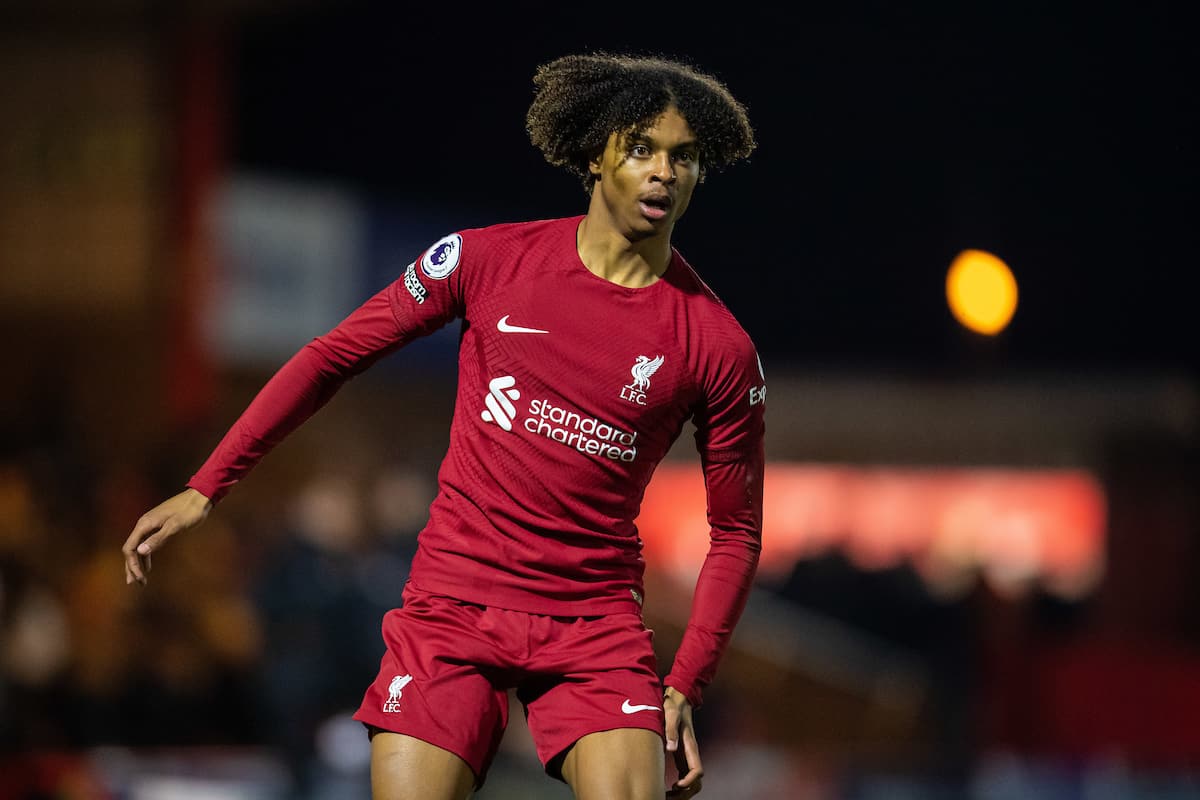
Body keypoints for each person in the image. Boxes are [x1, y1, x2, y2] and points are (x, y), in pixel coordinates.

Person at [124, 51, 765, 800]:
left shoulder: (717, 345)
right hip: (454, 605)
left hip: (593, 625)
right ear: (596, 156)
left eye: (683, 158)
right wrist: (207, 488)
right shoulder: (487, 261)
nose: (664, 172)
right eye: (641, 149)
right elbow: (332, 358)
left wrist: (685, 683)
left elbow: (737, 532)